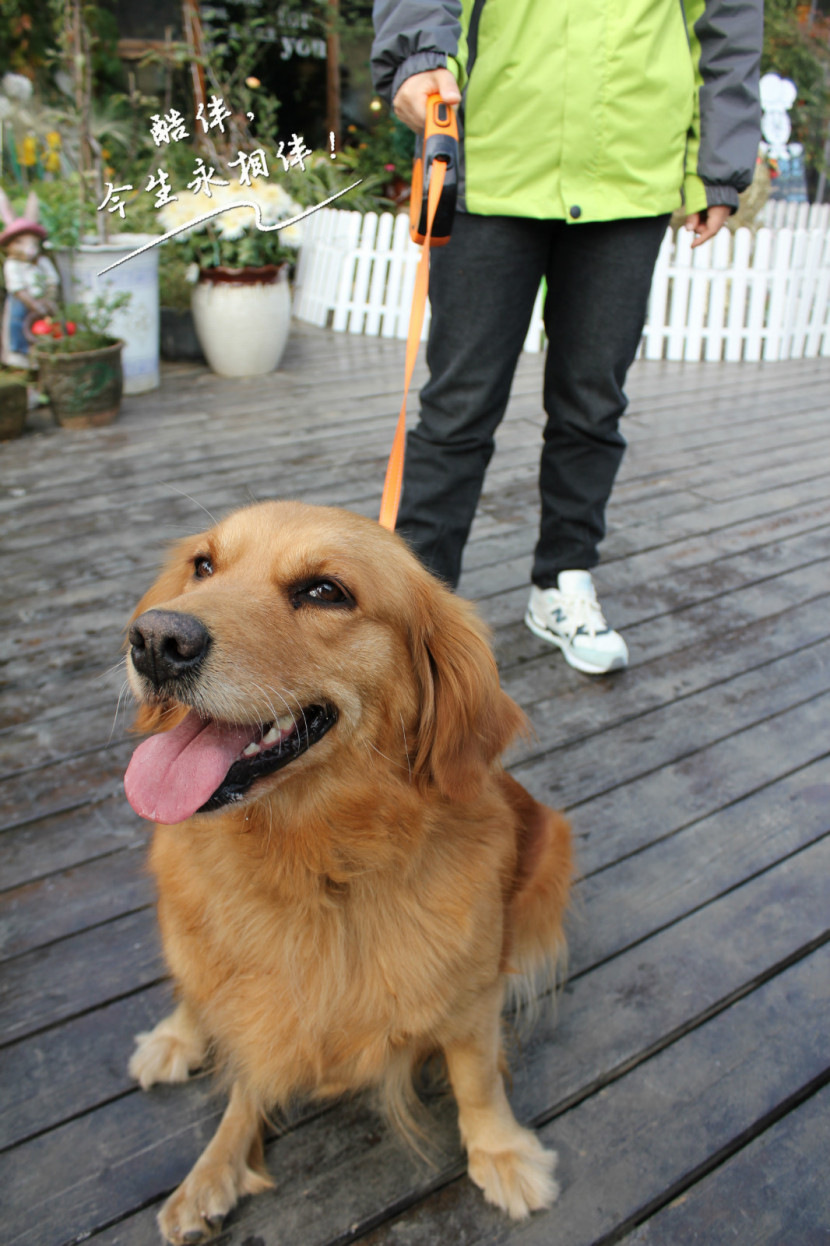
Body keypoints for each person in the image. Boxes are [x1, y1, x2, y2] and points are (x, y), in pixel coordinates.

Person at [371, 0, 762, 674]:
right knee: (459, 406)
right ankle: (415, 617)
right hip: (493, 153)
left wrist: (718, 162)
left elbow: (726, 24)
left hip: (631, 172)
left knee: (593, 403)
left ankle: (563, 582)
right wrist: (417, 55)